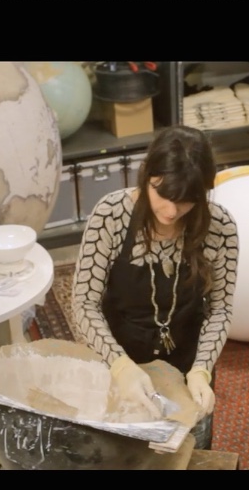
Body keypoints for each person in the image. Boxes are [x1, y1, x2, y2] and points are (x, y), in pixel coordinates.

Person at [71, 125, 239, 449]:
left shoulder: (221, 227)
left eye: (187, 201)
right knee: (123, 450)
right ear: (146, 175)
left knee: (187, 450)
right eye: (163, 195)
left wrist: (202, 369)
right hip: (119, 354)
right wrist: (120, 366)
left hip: (188, 357)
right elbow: (84, 303)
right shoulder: (110, 215)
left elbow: (220, 308)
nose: (171, 211)